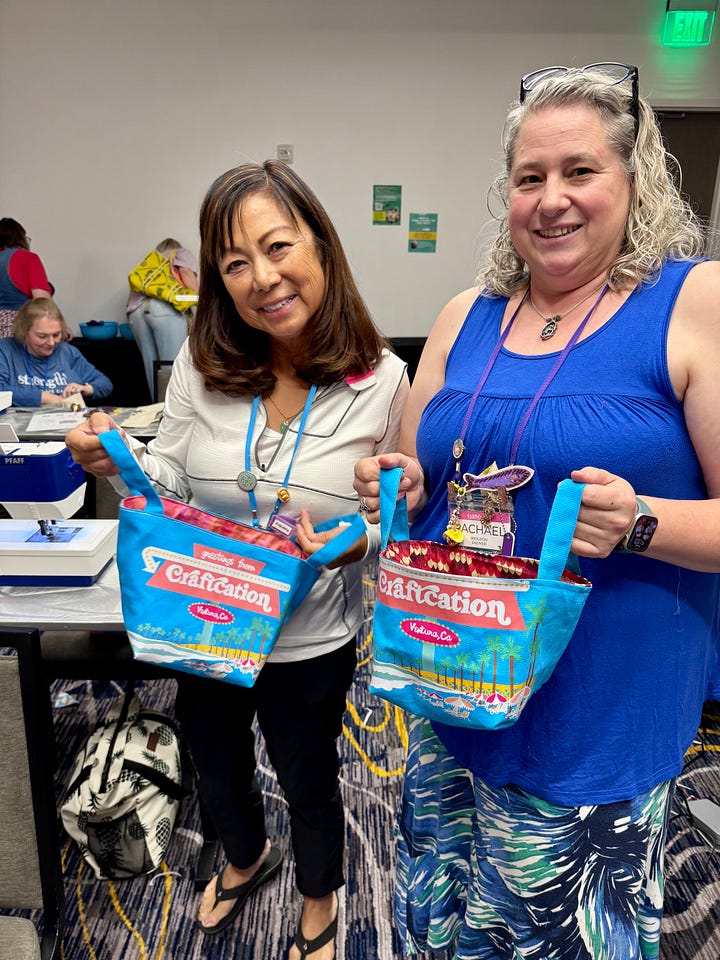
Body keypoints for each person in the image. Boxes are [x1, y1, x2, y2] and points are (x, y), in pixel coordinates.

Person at [354, 62, 720, 960]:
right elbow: (415, 470)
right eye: (529, 178)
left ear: (636, 184)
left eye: (580, 171)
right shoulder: (464, 315)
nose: (552, 199)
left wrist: (641, 524)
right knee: (444, 910)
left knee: (551, 931)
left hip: (596, 705)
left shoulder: (692, 301)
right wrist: (395, 483)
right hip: (456, 677)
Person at [65, 160, 409, 960]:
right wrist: (121, 462)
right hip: (207, 619)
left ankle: (320, 898)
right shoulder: (203, 360)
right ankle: (248, 860)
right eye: (234, 262)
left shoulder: (384, 379)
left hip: (310, 636)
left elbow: (393, 512)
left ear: (321, 246)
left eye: (278, 246)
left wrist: (359, 537)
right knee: (215, 769)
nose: (262, 278)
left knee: (310, 776)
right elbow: (175, 481)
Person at [0, 297, 112, 406]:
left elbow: (105, 384)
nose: (51, 343)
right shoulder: (5, 350)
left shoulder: (67, 352)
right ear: (24, 331)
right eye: (42, 336)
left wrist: (86, 389)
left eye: (56, 335)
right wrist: (44, 397)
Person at [126, 237, 199, 394]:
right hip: (165, 309)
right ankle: (173, 414)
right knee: (172, 368)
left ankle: (158, 411)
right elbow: (187, 275)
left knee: (153, 370)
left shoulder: (151, 262)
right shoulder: (180, 253)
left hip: (136, 312)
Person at [0, 218, 56, 338]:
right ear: (21, 238)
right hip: (19, 326)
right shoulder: (28, 258)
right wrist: (59, 327)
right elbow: (42, 302)